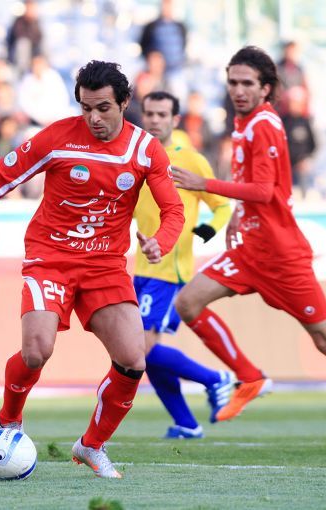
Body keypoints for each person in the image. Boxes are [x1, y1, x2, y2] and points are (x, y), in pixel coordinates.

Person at [0, 61, 184, 478]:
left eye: (103, 108)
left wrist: (161, 241)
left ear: (124, 102)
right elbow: (2, 175)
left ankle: (91, 445)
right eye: (86, 108)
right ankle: (10, 422)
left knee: (133, 360)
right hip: (51, 257)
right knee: (37, 351)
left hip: (105, 265)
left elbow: (173, 210)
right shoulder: (58, 138)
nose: (93, 117)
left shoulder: (145, 150)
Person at [173, 46, 326, 447]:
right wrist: (237, 216)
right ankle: (249, 377)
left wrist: (205, 184)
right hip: (250, 250)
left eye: (247, 83)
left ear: (266, 88)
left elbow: (265, 190)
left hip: (282, 258)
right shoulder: (243, 121)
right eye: (233, 82)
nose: (238, 90)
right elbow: (253, 185)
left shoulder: (264, 125)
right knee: (188, 303)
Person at [134, 91, 233, 439]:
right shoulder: (135, 154)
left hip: (170, 272)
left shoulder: (189, 159)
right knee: (142, 355)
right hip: (141, 269)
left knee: (140, 349)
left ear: (175, 120)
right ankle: (187, 424)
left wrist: (206, 230)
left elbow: (222, 205)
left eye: (162, 114)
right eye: (149, 113)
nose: (154, 120)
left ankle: (215, 379)